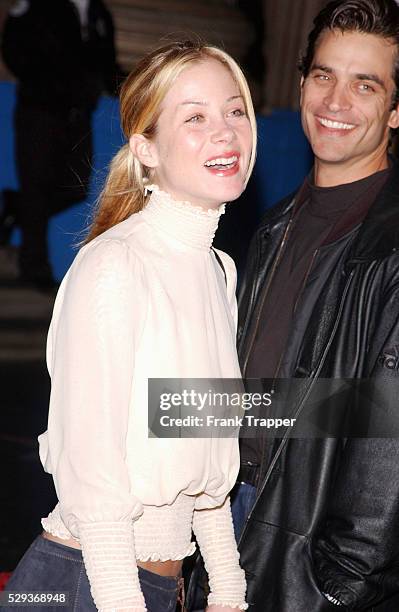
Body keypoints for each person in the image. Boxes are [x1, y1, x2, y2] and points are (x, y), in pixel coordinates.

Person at [2, 40, 257, 611]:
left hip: (161, 585)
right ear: (147, 148)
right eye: (194, 117)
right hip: (88, 582)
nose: (226, 132)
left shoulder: (219, 271)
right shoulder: (116, 264)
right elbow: (90, 465)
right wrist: (124, 600)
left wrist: (228, 588)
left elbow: (203, 452)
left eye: (235, 110)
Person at [234, 0, 399, 610]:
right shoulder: (273, 226)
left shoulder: (391, 249)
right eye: (325, 75)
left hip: (316, 560)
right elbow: (265, 401)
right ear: (301, 83)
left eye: (365, 84)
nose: (335, 102)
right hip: (238, 523)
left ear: (396, 109)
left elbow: (387, 433)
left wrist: (340, 587)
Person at [1, 0, 119, 289]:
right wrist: (44, 84)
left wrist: (135, 85)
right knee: (36, 186)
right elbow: (14, 48)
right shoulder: (38, 6)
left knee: (76, 188)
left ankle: (17, 207)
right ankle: (35, 269)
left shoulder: (99, 13)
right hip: (39, 112)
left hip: (78, 116)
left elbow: (107, 66)